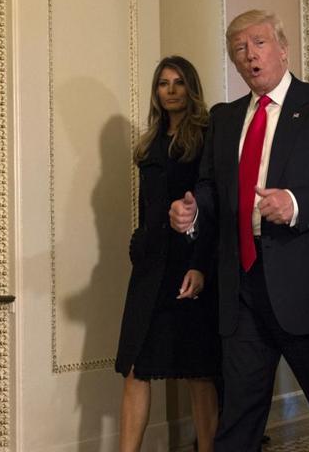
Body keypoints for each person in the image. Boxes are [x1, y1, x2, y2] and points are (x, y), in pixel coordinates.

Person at [169, 9, 309, 451]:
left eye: (259, 43)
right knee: (238, 421)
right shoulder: (224, 118)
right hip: (242, 288)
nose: (250, 55)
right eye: (239, 49)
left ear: (283, 47)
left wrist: (296, 203)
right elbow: (210, 188)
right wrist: (192, 212)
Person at [115, 56, 220, 452]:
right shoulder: (149, 143)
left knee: (199, 370)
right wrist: (138, 244)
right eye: (163, 83)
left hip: (188, 263)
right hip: (150, 265)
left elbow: (212, 208)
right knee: (136, 367)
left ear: (190, 88)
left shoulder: (206, 137)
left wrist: (200, 266)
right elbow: (147, 207)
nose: (171, 90)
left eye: (178, 82)